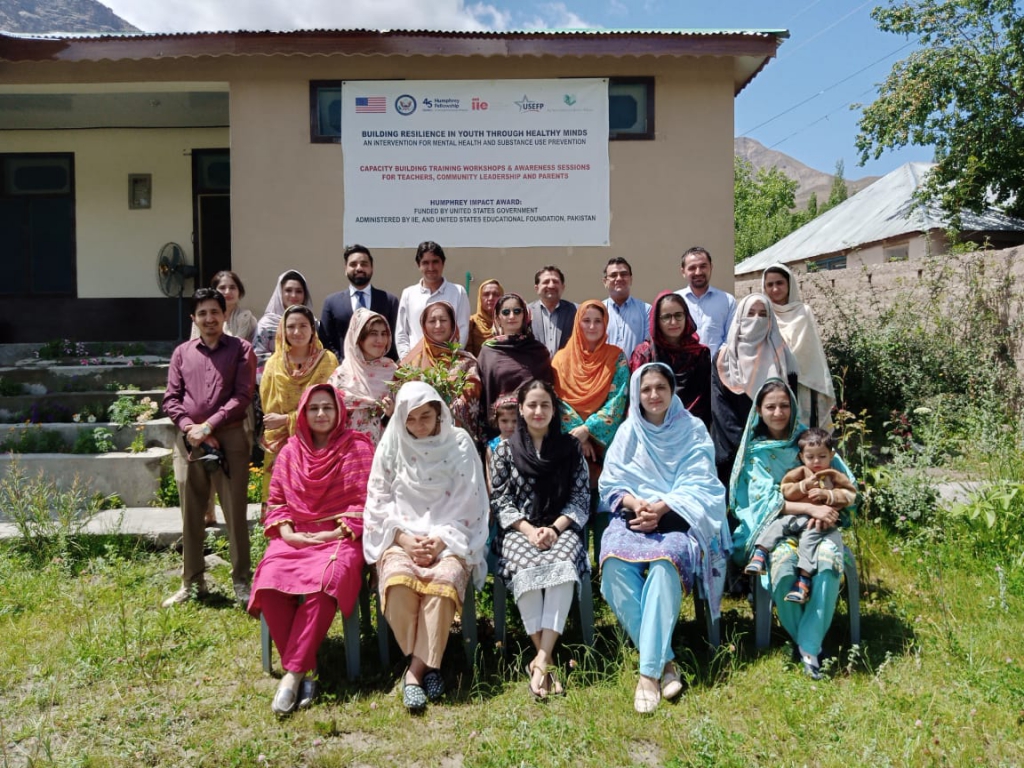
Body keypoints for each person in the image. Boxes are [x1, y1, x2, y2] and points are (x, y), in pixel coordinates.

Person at [599, 363, 730, 713]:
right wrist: (635, 502)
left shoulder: (692, 429)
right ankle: (666, 661)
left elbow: (702, 482)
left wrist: (662, 506)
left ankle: (647, 675)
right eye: (646, 389)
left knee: (664, 566)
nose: (653, 395)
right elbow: (610, 484)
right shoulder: (629, 432)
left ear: (672, 391)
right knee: (613, 569)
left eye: (660, 387)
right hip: (633, 517)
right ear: (636, 394)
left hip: (677, 519)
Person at [247, 384, 374, 715]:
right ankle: (308, 668)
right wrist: (289, 535)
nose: (320, 414)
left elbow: (365, 503)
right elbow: (275, 502)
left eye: (327, 408)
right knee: (269, 582)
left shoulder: (357, 448)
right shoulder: (290, 451)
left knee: (325, 583)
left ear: (339, 412)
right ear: (302, 413)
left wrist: (332, 533)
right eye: (314, 408)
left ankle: (291, 675)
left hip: (341, 537)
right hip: (294, 537)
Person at [363, 382, 489, 711]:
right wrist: (403, 538)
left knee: (442, 585)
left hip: (450, 538)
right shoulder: (391, 446)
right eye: (412, 419)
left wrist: (441, 540)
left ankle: (414, 672)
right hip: (400, 536)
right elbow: (378, 502)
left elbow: (470, 500)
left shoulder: (458, 443)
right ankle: (432, 664)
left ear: (439, 415)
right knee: (397, 586)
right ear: (401, 420)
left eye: (426, 417)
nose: (419, 426)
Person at [730, 380, 855, 679]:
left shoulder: (811, 443)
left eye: (784, 405)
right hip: (778, 528)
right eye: (770, 406)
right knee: (783, 565)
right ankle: (811, 646)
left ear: (794, 407)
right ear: (759, 411)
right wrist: (810, 507)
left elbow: (844, 484)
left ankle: (805, 645)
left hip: (820, 527)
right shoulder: (755, 453)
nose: (778, 412)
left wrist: (828, 506)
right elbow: (765, 502)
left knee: (827, 562)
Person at [490, 380, 590, 699]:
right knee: (525, 568)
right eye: (531, 405)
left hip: (561, 528)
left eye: (544, 405)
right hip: (520, 530)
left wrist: (556, 529)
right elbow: (501, 501)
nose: (538, 411)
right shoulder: (505, 450)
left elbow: (580, 496)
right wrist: (530, 530)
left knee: (561, 564)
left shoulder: (570, 448)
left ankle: (541, 661)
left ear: (553, 410)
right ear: (520, 409)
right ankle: (546, 659)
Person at [162, 288, 256, 608]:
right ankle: (192, 581)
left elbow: (243, 395)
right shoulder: (182, 353)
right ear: (194, 318)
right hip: (190, 441)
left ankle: (242, 580)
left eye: (214, 312)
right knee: (191, 513)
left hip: (229, 438)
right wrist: (191, 428)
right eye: (202, 313)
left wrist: (210, 425)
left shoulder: (241, 349)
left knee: (234, 512)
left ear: (225, 314)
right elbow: (171, 399)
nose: (209, 318)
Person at [744, 427, 856, 603]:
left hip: (817, 522)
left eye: (822, 456)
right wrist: (803, 486)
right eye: (810, 457)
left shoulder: (833, 476)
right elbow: (786, 491)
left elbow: (850, 495)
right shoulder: (801, 473)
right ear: (801, 457)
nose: (816, 461)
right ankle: (760, 554)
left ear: (831, 455)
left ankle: (803, 581)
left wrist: (828, 495)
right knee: (776, 526)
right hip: (796, 515)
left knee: (809, 542)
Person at [711, 292, 798, 488]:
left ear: (771, 320)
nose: (756, 319)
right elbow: (720, 409)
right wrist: (744, 445)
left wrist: (766, 442)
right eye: (750, 313)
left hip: (772, 448)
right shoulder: (724, 358)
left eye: (763, 314)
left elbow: (791, 405)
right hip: (733, 448)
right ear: (740, 317)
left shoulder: (783, 356)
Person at [259, 304, 338, 496]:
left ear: (313, 329)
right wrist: (283, 422)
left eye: (303, 326)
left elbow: (331, 406)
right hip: (280, 442)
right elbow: (269, 410)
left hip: (319, 440)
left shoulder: (327, 361)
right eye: (291, 326)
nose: (297, 332)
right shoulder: (273, 364)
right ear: (283, 330)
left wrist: (288, 419)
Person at [551, 300, 629, 474]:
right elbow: (557, 399)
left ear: (605, 323)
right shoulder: (561, 359)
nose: (592, 326)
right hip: (569, 438)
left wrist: (588, 429)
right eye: (586, 321)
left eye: (598, 321)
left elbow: (618, 400)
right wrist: (579, 436)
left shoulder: (616, 357)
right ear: (578, 323)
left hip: (606, 440)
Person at [762, 263, 836, 429]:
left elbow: (810, 349)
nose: (775, 289)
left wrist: (786, 357)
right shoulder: (762, 313)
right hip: (770, 382)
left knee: (802, 431)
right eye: (770, 284)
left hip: (802, 381)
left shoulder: (804, 312)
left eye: (779, 283)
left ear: (790, 284)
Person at [400, 301, 483, 444]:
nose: (438, 326)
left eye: (443, 320)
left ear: (452, 325)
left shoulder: (467, 362)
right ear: (424, 326)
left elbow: (470, 400)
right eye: (432, 321)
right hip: (417, 442)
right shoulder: (411, 363)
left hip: (455, 443)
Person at [629, 291, 712, 428]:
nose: (673, 322)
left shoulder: (700, 353)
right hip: (654, 430)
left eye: (678, 315)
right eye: (666, 317)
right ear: (656, 320)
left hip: (693, 431)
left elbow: (706, 401)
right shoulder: (645, 354)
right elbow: (636, 399)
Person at [476, 293, 552, 438]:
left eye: (517, 311)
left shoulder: (538, 351)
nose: (512, 316)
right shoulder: (488, 351)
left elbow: (547, 390)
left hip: (533, 429)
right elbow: (484, 394)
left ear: (525, 315)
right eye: (506, 312)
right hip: (500, 429)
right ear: (498, 318)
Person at [327, 308, 397, 445]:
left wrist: (390, 413)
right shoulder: (341, 375)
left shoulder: (393, 373)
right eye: (373, 334)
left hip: (384, 450)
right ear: (359, 337)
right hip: (348, 451)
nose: (380, 340)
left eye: (384, 334)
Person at [318, 244, 399, 361]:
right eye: (353, 264)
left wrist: (381, 364)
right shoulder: (332, 302)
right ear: (345, 269)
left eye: (364, 264)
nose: (359, 268)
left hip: (381, 372)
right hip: (345, 371)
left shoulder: (389, 301)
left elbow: (395, 339)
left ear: (372, 268)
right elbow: (325, 340)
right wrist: (342, 363)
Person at [395, 241, 471, 358]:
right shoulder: (409, 294)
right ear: (418, 265)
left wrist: (451, 357)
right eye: (425, 263)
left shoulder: (458, 292)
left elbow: (463, 329)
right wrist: (407, 360)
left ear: (443, 263)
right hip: (416, 365)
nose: (431, 267)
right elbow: (401, 333)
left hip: (447, 364)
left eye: (435, 262)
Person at [676, 246, 735, 359]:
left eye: (703, 266)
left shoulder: (727, 301)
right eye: (692, 268)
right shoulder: (675, 301)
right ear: (683, 272)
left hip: (717, 370)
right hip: (683, 370)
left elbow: (731, 338)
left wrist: (717, 363)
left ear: (711, 267)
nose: (698, 272)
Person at [254, 270, 314, 371]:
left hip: (309, 381)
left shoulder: (314, 324)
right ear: (280, 293)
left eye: (299, 291)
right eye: (288, 290)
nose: (294, 295)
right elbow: (257, 358)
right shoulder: (266, 325)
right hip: (274, 382)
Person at [602, 257, 651, 358]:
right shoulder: (597, 311)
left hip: (637, 372)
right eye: (613, 275)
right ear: (605, 282)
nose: (619, 278)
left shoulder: (646, 310)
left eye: (624, 274)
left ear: (631, 279)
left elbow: (648, 346)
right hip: (605, 372)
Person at [190, 270, 258, 343]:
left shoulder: (246, 318)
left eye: (232, 288)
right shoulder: (202, 318)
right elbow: (193, 346)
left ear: (239, 292)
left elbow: (240, 346)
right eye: (222, 288)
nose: (227, 292)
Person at [528, 266, 577, 357]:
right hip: (536, 369)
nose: (551, 285)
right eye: (546, 282)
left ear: (563, 287)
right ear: (536, 288)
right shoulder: (526, 312)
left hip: (566, 369)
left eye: (555, 281)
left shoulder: (575, 311)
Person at [467, 278, 504, 356]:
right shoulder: (471, 322)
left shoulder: (507, 321)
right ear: (480, 297)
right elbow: (468, 352)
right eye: (486, 294)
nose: (491, 298)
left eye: (495, 294)